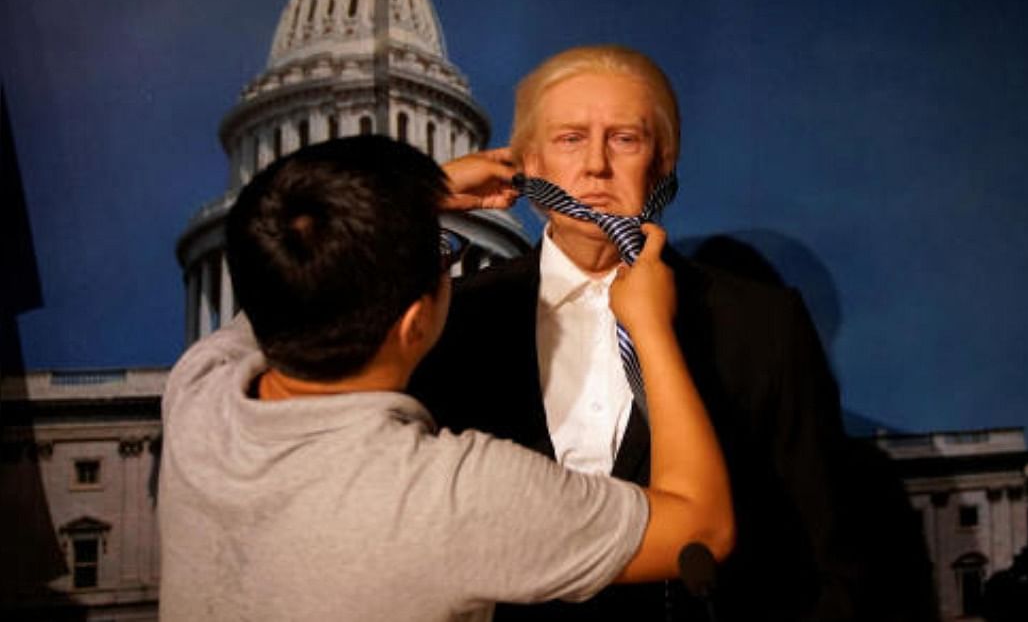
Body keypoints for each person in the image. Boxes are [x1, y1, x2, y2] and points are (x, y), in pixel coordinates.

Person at [157, 135, 732, 621]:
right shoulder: (455, 495)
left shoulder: (198, 394)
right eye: (443, 255)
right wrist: (651, 328)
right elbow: (700, 529)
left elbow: (285, 278)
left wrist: (407, 199)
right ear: (414, 324)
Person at [410, 45, 859, 620]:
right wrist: (419, 196)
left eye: (625, 138)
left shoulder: (763, 323)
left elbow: (826, 553)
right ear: (529, 165)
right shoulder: (455, 317)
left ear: (663, 164)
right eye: (570, 138)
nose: (596, 165)